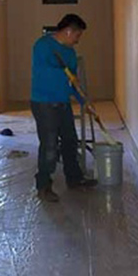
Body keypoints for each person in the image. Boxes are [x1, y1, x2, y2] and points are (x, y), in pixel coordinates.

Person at [30, 13, 97, 202]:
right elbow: (47, 74)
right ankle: (43, 186)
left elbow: (73, 82)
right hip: (44, 103)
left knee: (70, 141)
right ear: (68, 31)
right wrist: (65, 74)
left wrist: (84, 101)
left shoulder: (70, 53)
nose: (77, 40)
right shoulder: (42, 46)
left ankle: (74, 178)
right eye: (77, 35)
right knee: (49, 145)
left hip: (62, 102)